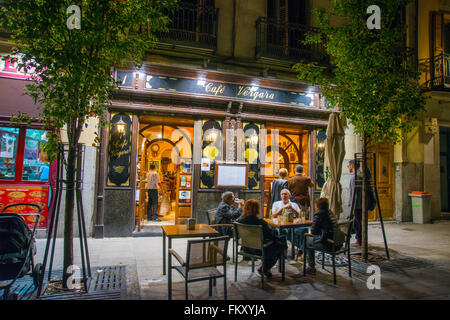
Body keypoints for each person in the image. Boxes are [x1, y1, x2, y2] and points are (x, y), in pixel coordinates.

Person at [236, 199, 285, 278]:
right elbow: (271, 235)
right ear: (257, 209)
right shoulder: (260, 222)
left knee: (276, 243)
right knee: (281, 244)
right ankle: (265, 268)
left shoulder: (240, 221)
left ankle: (264, 267)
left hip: (246, 248)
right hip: (260, 249)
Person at [271, 188, 309, 257]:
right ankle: (284, 249)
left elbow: (299, 215)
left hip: (293, 225)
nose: (283, 196)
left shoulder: (294, 204)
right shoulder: (276, 204)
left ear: (289, 196)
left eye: (285, 194)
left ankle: (301, 250)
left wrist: (292, 208)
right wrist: (283, 208)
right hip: (281, 225)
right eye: (282, 194)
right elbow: (273, 215)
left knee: (304, 229)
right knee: (282, 231)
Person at [348, 160, 376, 246]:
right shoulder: (361, 175)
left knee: (358, 223)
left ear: (352, 165)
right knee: (360, 223)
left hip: (357, 205)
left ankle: (359, 240)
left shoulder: (354, 177)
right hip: (362, 204)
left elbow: (354, 194)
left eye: (348, 166)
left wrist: (352, 207)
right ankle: (360, 239)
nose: (348, 167)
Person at [304, 198, 335, 274]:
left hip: (328, 244)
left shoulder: (319, 214)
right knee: (310, 240)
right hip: (337, 243)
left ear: (317, 206)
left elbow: (313, 231)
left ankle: (311, 267)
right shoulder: (330, 213)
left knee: (307, 241)